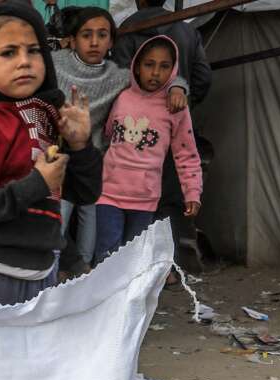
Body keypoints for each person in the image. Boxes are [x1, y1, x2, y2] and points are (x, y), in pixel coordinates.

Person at [0, 1, 100, 306]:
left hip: (42, 273)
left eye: (34, 50)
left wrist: (80, 145)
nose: (24, 62)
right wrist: (37, 184)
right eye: (8, 52)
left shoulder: (46, 116)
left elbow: (85, 192)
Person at [52, 8, 188, 267]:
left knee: (89, 222)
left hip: (93, 163)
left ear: (111, 41)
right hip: (57, 157)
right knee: (57, 220)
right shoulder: (55, 64)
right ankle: (50, 280)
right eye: (86, 35)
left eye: (102, 35)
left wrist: (178, 86)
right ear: (72, 39)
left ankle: (85, 279)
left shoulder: (119, 77)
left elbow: (157, 77)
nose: (94, 42)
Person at [92, 36, 201, 264]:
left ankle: (130, 301)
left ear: (173, 70)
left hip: (145, 198)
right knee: (106, 257)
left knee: (134, 260)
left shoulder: (175, 107)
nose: (155, 73)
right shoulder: (122, 97)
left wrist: (192, 192)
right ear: (137, 67)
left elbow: (186, 153)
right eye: (149, 65)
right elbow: (108, 134)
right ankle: (107, 301)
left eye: (164, 66)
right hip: (109, 193)